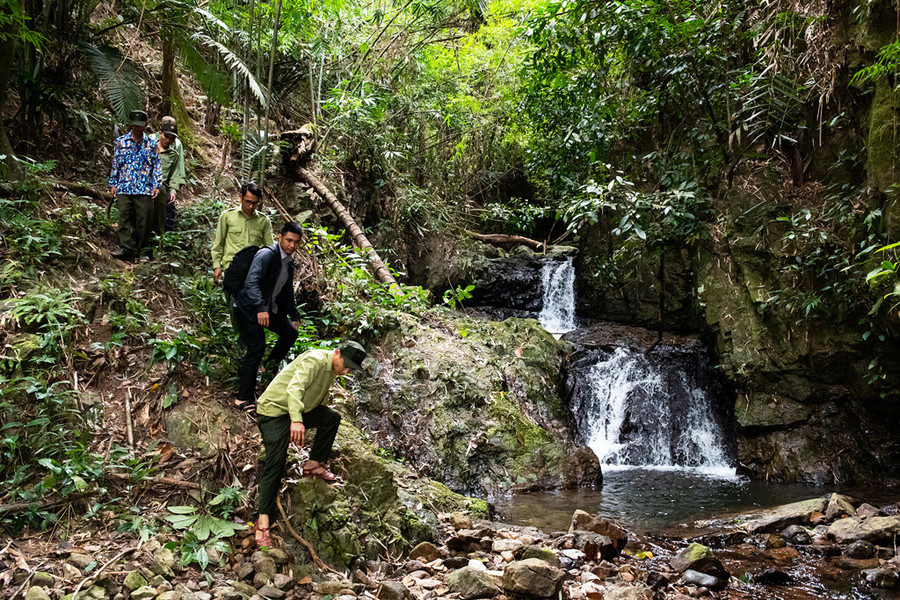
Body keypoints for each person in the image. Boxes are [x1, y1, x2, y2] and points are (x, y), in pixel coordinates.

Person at [253, 341, 367, 547]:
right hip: (274, 413)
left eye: (351, 368)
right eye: (346, 365)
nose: (347, 370)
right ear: (337, 352)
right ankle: (262, 521)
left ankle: (314, 464)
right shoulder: (314, 360)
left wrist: (308, 417)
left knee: (331, 418)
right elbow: (294, 388)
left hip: (297, 412)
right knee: (276, 463)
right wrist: (296, 420)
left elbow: (320, 398)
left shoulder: (333, 368)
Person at [233, 222, 304, 413]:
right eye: (289, 240)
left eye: (296, 242)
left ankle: (268, 369)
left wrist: (294, 315)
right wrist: (259, 307)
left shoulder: (288, 262)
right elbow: (252, 282)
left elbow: (287, 291)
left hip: (268, 309)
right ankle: (243, 398)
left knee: (289, 333)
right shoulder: (266, 255)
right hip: (248, 307)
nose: (292, 245)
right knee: (257, 346)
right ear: (279, 238)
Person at [108, 110, 162, 260]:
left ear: (146, 125)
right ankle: (126, 248)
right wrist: (113, 183)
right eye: (134, 126)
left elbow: (156, 166)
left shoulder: (151, 144)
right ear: (130, 125)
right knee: (123, 217)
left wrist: (157, 185)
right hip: (124, 186)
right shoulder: (121, 142)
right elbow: (116, 164)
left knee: (144, 220)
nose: (137, 129)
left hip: (144, 188)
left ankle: (143, 251)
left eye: (140, 126)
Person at [210, 182, 274, 284]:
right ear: (241, 197)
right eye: (247, 201)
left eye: (255, 203)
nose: (250, 206)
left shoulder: (263, 221)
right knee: (232, 299)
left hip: (254, 270)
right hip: (231, 268)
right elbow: (218, 244)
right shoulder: (227, 216)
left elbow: (270, 248)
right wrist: (217, 266)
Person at [150, 117, 186, 234]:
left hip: (164, 185)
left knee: (168, 209)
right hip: (147, 184)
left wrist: (176, 186)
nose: (168, 140)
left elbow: (177, 164)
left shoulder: (176, 144)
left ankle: (166, 237)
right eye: (166, 136)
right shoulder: (150, 141)